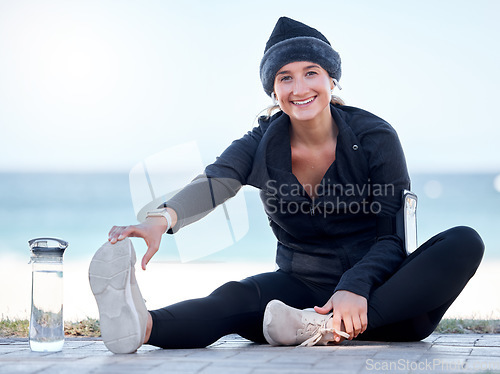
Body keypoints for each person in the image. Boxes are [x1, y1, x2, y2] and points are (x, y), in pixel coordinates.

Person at [89, 17, 484, 354]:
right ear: (273, 91)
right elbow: (215, 181)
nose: (300, 88)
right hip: (300, 292)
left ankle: (324, 329)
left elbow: (392, 238)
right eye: (285, 77)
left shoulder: (375, 137)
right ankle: (141, 326)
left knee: (465, 241)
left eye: (311, 72)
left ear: (332, 78)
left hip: (386, 298)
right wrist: (162, 219)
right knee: (237, 297)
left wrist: (353, 286)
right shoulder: (260, 144)